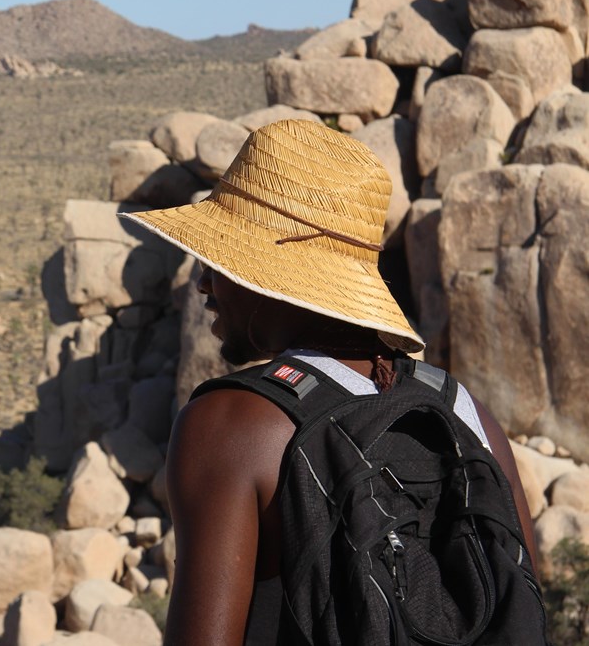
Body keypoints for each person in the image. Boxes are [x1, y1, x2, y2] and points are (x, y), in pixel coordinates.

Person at [121, 119, 540, 645]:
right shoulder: (467, 416)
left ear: (269, 274)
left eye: (220, 259)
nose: (204, 281)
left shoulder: (230, 426)